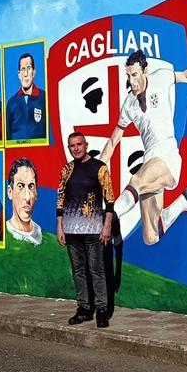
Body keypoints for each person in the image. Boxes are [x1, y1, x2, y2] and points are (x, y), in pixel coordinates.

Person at [99, 51, 187, 245]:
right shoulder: (129, 105)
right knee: (151, 238)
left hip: (167, 156)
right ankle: (184, 201)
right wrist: (97, 165)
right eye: (128, 76)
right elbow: (114, 139)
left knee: (137, 180)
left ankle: (108, 218)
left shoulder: (162, 78)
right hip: (150, 162)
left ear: (144, 71)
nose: (131, 81)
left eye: (134, 75)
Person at [57, 132, 115, 327]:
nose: (76, 148)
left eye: (79, 144)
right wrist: (60, 226)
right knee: (78, 271)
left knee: (97, 270)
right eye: (72, 145)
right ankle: (83, 309)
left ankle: (102, 311)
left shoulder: (100, 168)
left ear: (86, 145)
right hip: (72, 230)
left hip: (93, 230)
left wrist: (107, 226)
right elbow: (60, 199)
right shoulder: (67, 169)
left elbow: (110, 200)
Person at [6, 53, 46, 141]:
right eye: (23, 69)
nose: (26, 74)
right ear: (19, 74)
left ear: (34, 72)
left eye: (29, 68)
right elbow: (7, 135)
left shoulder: (44, 97)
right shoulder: (11, 102)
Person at [5, 157, 42, 244]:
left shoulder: (44, 236)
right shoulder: (1, 234)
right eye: (20, 186)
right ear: (10, 192)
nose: (27, 197)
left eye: (31, 186)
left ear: (36, 192)